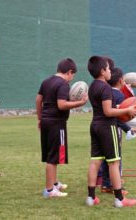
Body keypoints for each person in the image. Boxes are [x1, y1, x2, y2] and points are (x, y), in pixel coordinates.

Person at [85, 56, 136, 208]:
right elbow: (108, 112)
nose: (110, 71)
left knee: (95, 162)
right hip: (107, 127)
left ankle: (91, 198)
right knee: (114, 163)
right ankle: (120, 200)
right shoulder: (106, 88)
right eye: (108, 69)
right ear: (102, 71)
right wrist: (127, 109)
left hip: (94, 125)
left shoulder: (93, 86)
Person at [36, 58, 88, 198]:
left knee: (53, 155)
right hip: (56, 123)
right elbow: (61, 104)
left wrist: (40, 118)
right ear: (70, 72)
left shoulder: (46, 81)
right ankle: (49, 191)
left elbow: (38, 100)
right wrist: (80, 103)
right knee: (52, 158)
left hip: (46, 121)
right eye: (73, 75)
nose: (72, 79)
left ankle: (54, 183)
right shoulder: (64, 84)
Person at [100, 67, 136, 194]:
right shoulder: (120, 96)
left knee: (106, 159)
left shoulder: (105, 92)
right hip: (114, 130)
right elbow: (119, 117)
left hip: (102, 128)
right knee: (116, 159)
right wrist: (128, 129)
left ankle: (106, 184)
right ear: (121, 80)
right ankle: (117, 184)